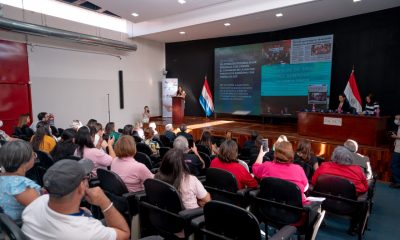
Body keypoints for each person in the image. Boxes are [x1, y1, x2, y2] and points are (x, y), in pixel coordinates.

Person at [22, 159, 130, 240]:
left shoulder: (35, 204)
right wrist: (104, 202)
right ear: (81, 187)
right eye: (86, 177)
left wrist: (80, 211)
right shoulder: (87, 232)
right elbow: (124, 233)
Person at [0, 140, 40, 222]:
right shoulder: (22, 186)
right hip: (17, 229)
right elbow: (41, 214)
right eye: (33, 155)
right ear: (25, 161)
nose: (35, 157)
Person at [390, 114, 400, 188]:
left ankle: (398, 182)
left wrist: (395, 136)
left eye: (397, 119)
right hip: (397, 148)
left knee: (394, 165)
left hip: (398, 150)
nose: (396, 120)